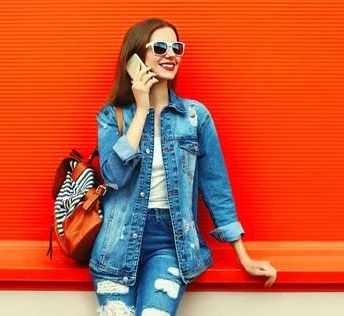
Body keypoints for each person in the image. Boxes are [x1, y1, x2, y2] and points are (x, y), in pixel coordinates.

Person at [90, 17, 277, 316]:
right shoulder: (112, 116)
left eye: (176, 47)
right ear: (136, 59)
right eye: (160, 47)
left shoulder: (195, 116)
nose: (171, 55)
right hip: (116, 243)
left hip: (170, 242)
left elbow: (216, 188)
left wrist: (243, 256)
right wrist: (140, 110)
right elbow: (113, 176)